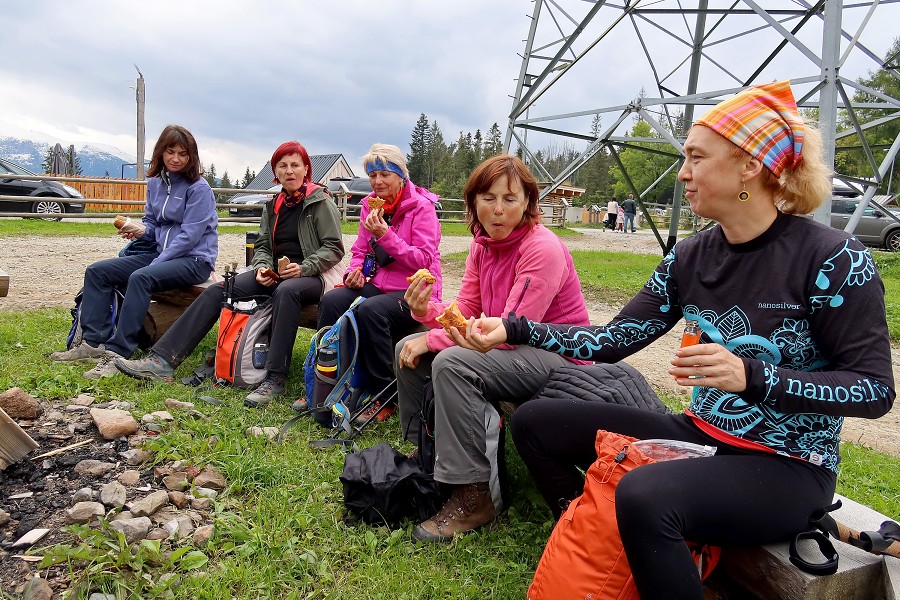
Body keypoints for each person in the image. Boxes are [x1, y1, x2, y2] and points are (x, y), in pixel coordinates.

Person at [456, 81, 895, 598]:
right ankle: (601, 539)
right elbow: (614, 339)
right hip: (701, 435)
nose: (682, 172)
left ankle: (650, 543)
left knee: (645, 494)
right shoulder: (691, 256)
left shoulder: (832, 259)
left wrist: (751, 376)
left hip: (789, 467)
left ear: (748, 166)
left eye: (695, 157)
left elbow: (873, 391)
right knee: (535, 423)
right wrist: (514, 328)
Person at [396, 154, 591, 543]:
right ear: (473, 203)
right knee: (407, 345)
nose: (498, 210)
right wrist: (427, 311)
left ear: (528, 204)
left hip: (559, 356)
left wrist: (432, 337)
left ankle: (475, 494)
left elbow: (512, 330)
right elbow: (467, 309)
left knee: (451, 361)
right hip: (509, 345)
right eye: (488, 198)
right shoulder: (482, 245)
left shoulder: (542, 248)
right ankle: (427, 452)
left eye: (510, 199)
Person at [115, 141, 344, 407]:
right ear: (276, 172)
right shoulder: (274, 206)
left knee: (286, 291)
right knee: (219, 290)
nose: (289, 171)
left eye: (295, 165)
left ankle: (275, 377)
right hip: (276, 273)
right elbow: (262, 246)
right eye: (283, 166)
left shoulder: (320, 201)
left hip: (314, 276)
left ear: (306, 169)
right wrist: (260, 267)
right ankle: (163, 360)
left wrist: (303, 268)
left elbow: (334, 248)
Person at [51, 125, 218, 379]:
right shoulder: (154, 184)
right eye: (170, 151)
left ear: (191, 157)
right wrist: (140, 230)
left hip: (194, 259)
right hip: (162, 255)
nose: (176, 158)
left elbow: (189, 236)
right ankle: (93, 344)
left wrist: (155, 263)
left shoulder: (199, 188)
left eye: (183, 154)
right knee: (97, 272)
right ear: (160, 153)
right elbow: (153, 225)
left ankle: (117, 354)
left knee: (141, 276)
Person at [305, 143, 442, 421]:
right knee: (332, 300)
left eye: (384, 175)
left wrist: (386, 235)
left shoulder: (422, 208)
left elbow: (424, 261)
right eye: (372, 175)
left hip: (414, 291)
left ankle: (385, 394)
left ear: (401, 176)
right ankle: (325, 380)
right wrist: (353, 273)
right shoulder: (369, 206)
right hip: (378, 285)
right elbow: (359, 252)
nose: (377, 182)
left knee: (371, 310)